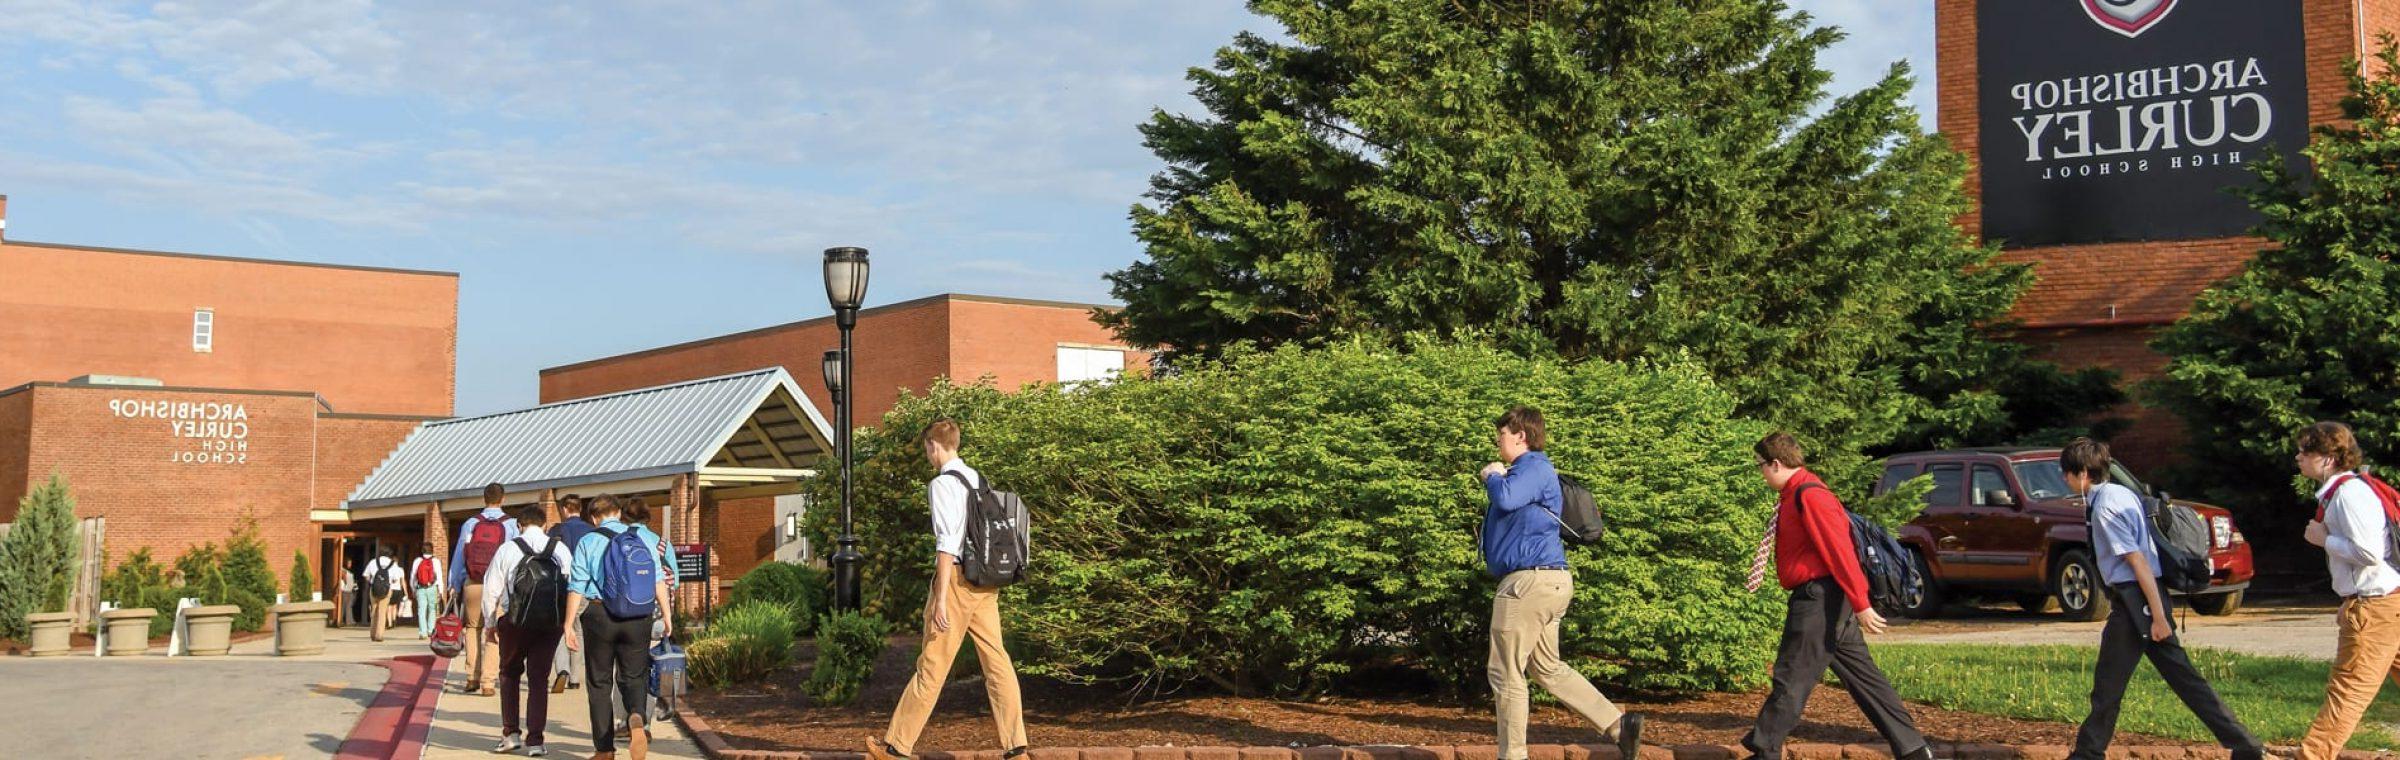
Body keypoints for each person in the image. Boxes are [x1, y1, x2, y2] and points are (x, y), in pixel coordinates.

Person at [2056, 437, 2260, 759]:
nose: (2064, 479)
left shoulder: (2106, 507)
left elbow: (2137, 561)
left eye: (2066, 473)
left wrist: (2159, 617)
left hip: (2137, 602)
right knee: (2118, 683)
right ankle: (2244, 746)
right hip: (2135, 601)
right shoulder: (2120, 493)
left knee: (2155, 682)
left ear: (2082, 473)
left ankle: (2245, 746)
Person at [1741, 432, 1930, 760]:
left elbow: (1840, 553)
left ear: (1775, 463)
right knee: (1865, 679)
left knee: (1792, 674)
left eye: (1760, 466)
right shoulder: (1793, 494)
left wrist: (1862, 603)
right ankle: (1914, 750)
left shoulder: (1810, 495)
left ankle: (1764, 750)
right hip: (1825, 598)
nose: (1760, 473)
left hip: (1819, 599)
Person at [1477, 407, 1641, 760]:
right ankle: (1618, 725)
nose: (1498, 441)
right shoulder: (1529, 471)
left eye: (1502, 434)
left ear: (1521, 436)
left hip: (1527, 583)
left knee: (1505, 672)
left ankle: (1513, 756)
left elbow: (1505, 498)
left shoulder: (1532, 467)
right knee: (1546, 667)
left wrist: (1492, 476)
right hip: (1546, 580)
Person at [866, 419, 1029, 760]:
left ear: (934, 445)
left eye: (927, 448)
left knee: (933, 664)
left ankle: (896, 748)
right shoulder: (976, 478)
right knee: (997, 662)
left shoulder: (943, 484)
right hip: (986, 583)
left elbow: (948, 543)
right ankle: (1017, 748)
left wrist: (940, 598)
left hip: (956, 581)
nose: (928, 454)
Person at [2296, 421, 2400, 758]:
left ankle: (2314, 755)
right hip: (2384, 602)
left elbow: (2369, 553)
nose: (2298, 457)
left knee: (2350, 686)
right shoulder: (2349, 491)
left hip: (2377, 606)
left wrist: (2323, 539)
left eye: (2305, 451)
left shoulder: (2349, 495)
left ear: (2328, 458)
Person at [567, 494, 677, 760]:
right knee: (634, 675)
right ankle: (637, 717)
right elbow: (658, 579)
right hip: (639, 616)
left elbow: (577, 586)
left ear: (593, 518)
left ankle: (604, 750)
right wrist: (667, 615)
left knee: (600, 682)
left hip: (599, 614)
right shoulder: (644, 539)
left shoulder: (588, 540)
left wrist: (568, 624)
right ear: (618, 513)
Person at [486, 503, 575, 757]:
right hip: (550, 623)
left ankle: (510, 734)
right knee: (539, 679)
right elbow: (571, 584)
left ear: (519, 525)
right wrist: (566, 624)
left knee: (510, 674)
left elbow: (491, 589)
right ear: (545, 525)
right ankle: (536, 740)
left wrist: (490, 624)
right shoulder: (558, 549)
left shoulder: (508, 548)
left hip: (515, 621)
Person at [453, 483, 522, 695]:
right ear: (503, 499)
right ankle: (488, 682)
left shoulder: (471, 523)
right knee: (494, 630)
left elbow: (459, 556)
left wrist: (455, 583)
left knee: (473, 628)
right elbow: (514, 557)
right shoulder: (511, 525)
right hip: (499, 586)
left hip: (473, 582)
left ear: (484, 499)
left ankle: (471, 676)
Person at [550, 495, 595, 693]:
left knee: (560, 628)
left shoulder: (556, 530)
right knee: (577, 629)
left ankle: (563, 669)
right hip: (585, 589)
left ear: (565, 509)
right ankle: (575, 678)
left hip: (562, 587)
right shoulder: (592, 531)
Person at [364, 546, 404, 642]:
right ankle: (379, 635)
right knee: (382, 611)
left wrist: (373, 582)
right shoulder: (393, 564)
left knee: (373, 611)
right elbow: (395, 579)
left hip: (374, 589)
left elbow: (366, 575)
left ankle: (372, 633)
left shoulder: (373, 562)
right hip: (386, 590)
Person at [409, 542, 446, 639]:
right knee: (432, 609)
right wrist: (441, 591)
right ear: (432, 550)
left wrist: (413, 588)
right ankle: (430, 630)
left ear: (422, 550)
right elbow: (439, 577)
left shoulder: (417, 560)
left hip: (420, 588)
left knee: (421, 610)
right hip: (432, 588)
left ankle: (423, 632)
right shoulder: (436, 561)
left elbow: (413, 576)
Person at [337, 559, 358, 628]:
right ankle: (342, 620)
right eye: (349, 563)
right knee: (344, 606)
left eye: (350, 563)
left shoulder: (349, 571)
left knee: (349, 606)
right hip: (345, 590)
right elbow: (344, 579)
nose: (350, 565)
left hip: (349, 590)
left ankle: (349, 620)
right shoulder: (343, 570)